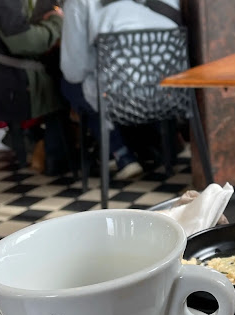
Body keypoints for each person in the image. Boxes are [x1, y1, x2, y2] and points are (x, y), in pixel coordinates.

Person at [60, 0, 180, 181]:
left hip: (118, 99)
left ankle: (121, 154)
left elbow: (74, 70)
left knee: (71, 85)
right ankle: (166, 149)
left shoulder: (79, 4)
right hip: (170, 96)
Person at [0, 0, 73, 176]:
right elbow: (24, 42)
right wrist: (57, 21)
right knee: (62, 78)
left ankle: (30, 140)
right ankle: (58, 157)